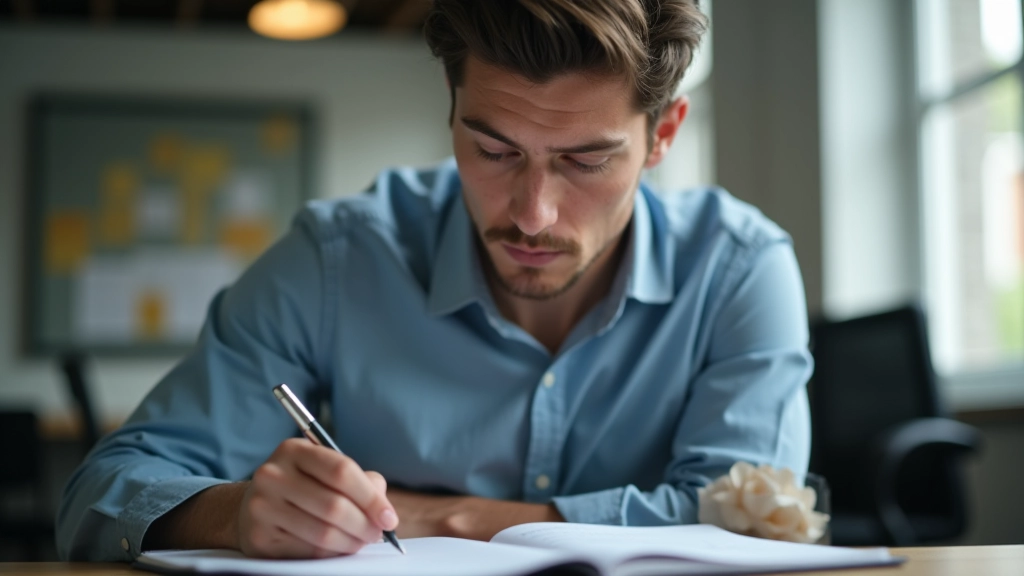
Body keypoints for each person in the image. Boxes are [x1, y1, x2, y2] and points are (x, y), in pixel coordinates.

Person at [58, 0, 812, 562]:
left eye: (585, 161)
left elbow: (751, 521)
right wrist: (234, 514)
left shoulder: (738, 268)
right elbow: (104, 490)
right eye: (494, 151)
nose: (534, 215)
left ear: (664, 135)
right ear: (452, 112)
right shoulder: (336, 258)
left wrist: (446, 518)